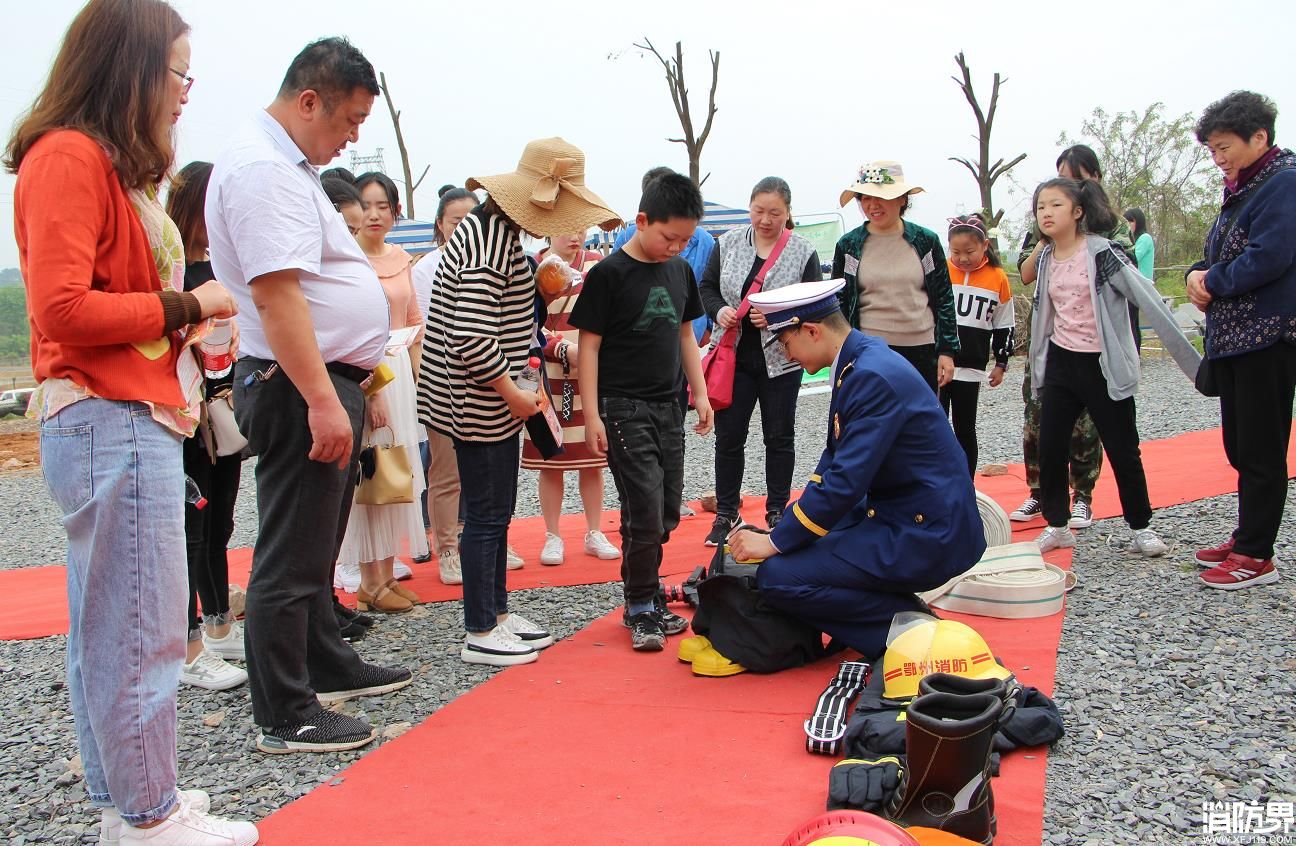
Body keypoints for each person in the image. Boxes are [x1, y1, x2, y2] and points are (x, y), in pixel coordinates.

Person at [6, 1, 258, 841]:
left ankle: (129, 805)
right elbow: (63, 308)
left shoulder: (96, 160)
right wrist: (189, 299)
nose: (185, 91)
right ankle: (150, 818)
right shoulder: (71, 156)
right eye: (177, 72)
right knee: (143, 631)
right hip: (111, 412)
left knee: (110, 629)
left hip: (117, 410)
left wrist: (177, 316)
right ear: (132, 67)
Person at [207, 37, 412, 755]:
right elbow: (277, 294)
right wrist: (323, 399)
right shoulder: (263, 170)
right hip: (299, 384)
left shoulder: (285, 164)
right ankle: (285, 711)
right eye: (349, 120)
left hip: (318, 380)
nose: (354, 137)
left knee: (316, 544)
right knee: (292, 552)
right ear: (308, 101)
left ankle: (325, 660)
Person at [419, 137, 621, 666]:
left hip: (483, 396)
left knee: (495, 512)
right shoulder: (490, 242)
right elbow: (470, 334)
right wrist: (512, 392)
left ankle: (497, 614)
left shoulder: (491, 231)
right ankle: (481, 627)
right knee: (487, 516)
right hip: (479, 399)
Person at [723, 280, 985, 666]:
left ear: (811, 331)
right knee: (799, 554)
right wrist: (787, 534)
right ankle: (895, 613)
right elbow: (833, 465)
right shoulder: (861, 361)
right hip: (911, 518)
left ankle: (912, 636)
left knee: (779, 576)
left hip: (927, 534)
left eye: (784, 342)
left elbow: (844, 484)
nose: (786, 353)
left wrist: (776, 542)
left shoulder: (868, 376)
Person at [571, 172, 715, 652]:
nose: (676, 247)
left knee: (667, 509)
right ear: (641, 221)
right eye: (668, 237)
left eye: (685, 240)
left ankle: (648, 590)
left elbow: (685, 335)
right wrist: (591, 415)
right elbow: (587, 348)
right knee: (645, 508)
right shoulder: (608, 274)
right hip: (621, 406)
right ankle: (639, 604)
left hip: (668, 404)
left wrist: (700, 394)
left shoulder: (681, 272)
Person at [1027, 178, 1200, 556]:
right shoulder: (1043, 258)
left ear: (1078, 212)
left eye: (1055, 205)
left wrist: (1195, 365)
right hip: (1060, 361)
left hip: (1102, 364)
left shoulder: (1103, 253)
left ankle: (1141, 527)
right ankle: (1057, 525)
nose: (1046, 213)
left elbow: (1147, 298)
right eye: (1041, 207)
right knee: (1051, 446)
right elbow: (1043, 316)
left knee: (1123, 448)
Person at [1187, 90, 1295, 590]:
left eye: (1224, 146)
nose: (1218, 157)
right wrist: (1196, 273)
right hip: (1235, 337)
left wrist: (1212, 281)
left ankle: (1257, 554)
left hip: (1268, 335)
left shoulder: (1283, 183)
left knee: (1261, 447)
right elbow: (1215, 253)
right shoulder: (1242, 187)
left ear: (1260, 136)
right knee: (1240, 443)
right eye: (1211, 149)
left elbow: (1269, 257)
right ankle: (1247, 534)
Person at [1012, 145, 1136, 529]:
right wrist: (1053, 241)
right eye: (1064, 176)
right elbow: (1027, 271)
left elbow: (1128, 277)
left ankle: (1083, 495)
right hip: (1052, 340)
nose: (1071, 186)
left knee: (1091, 425)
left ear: (1093, 180)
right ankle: (1040, 494)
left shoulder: (1109, 226)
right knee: (1040, 420)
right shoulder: (1045, 225)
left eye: (1078, 178)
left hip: (1097, 345)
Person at [699, 176, 822, 547]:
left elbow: (814, 305)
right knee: (729, 437)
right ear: (749, 208)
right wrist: (719, 311)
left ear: (788, 213)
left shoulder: (802, 251)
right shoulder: (728, 244)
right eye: (759, 211)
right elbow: (706, 288)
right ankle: (726, 513)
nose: (766, 219)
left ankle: (778, 510)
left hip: (782, 358)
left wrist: (778, 319)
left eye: (775, 213)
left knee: (779, 436)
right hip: (732, 357)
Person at [165, 160, 248, 691]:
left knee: (221, 524)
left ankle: (218, 622)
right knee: (191, 529)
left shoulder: (222, 270)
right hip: (187, 415)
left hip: (226, 412)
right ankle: (191, 638)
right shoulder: (175, 275)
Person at [335, 171, 429, 612]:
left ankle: (387, 575)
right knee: (372, 471)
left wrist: (421, 382)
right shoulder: (348, 259)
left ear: (394, 211)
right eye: (366, 205)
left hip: (402, 374)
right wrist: (371, 389)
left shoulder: (401, 257)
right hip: (369, 371)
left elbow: (413, 323)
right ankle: (368, 581)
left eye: (383, 206)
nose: (374, 214)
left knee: (399, 469)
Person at [525, 233, 622, 566]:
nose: (577, 235)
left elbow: (611, 315)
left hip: (590, 372)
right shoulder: (533, 266)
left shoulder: (597, 264)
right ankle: (552, 534)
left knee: (593, 457)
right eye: (569, 227)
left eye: (581, 227)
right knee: (551, 460)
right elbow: (529, 324)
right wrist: (563, 348)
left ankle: (594, 530)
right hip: (545, 374)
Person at [832, 161, 959, 392]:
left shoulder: (925, 241)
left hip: (922, 347)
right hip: (868, 349)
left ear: (902, 199)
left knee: (921, 422)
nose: (873, 205)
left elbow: (944, 297)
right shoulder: (848, 245)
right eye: (865, 198)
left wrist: (946, 351)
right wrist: (843, 350)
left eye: (881, 196)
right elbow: (839, 301)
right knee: (875, 420)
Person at [411, 186, 476, 583]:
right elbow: (423, 330)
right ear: (440, 224)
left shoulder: (491, 262)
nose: (464, 228)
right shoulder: (424, 269)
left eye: (471, 220)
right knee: (446, 471)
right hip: (444, 379)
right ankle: (447, 548)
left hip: (489, 380)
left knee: (487, 469)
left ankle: (486, 540)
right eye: (455, 221)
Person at [942, 214, 1014, 476]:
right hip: (939, 362)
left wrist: (1002, 363)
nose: (962, 258)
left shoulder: (997, 277)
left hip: (971, 366)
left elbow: (1004, 323)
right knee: (934, 425)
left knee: (965, 428)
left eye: (969, 251)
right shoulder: (941, 271)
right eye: (956, 251)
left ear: (985, 246)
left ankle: (966, 484)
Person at [1123, 207, 1155, 281]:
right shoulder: (1130, 241)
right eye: (1125, 222)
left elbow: (1132, 259)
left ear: (1139, 222)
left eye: (1130, 222)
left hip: (1143, 284)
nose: (1127, 225)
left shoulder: (1145, 238)